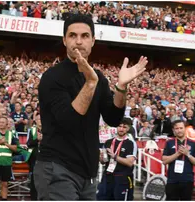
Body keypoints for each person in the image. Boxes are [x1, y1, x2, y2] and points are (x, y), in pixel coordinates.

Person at [35, 14, 147, 200]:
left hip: (87, 174)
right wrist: (90, 83)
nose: (78, 41)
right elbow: (69, 121)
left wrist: (121, 87)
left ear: (93, 41)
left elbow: (113, 118)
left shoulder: (99, 78)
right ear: (64, 40)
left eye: (85, 36)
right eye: (72, 35)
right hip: (56, 169)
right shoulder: (52, 77)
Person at [96, 117, 137, 200]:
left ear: (128, 128)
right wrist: (101, 157)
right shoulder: (108, 142)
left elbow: (129, 162)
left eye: (124, 127)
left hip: (122, 178)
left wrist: (114, 156)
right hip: (107, 177)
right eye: (119, 126)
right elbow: (103, 161)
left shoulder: (131, 143)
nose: (121, 129)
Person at [162, 120, 195, 201]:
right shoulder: (169, 142)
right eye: (176, 128)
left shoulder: (193, 143)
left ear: (185, 129)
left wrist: (188, 154)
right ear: (173, 130)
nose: (179, 130)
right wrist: (177, 154)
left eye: (181, 128)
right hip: (172, 179)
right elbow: (164, 161)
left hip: (187, 179)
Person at [26, 115, 43, 201]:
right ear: (35, 121)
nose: (41, 120)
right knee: (34, 181)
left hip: (46, 158)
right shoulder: (31, 130)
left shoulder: (49, 128)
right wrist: (37, 140)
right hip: (34, 159)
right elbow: (28, 143)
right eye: (39, 119)